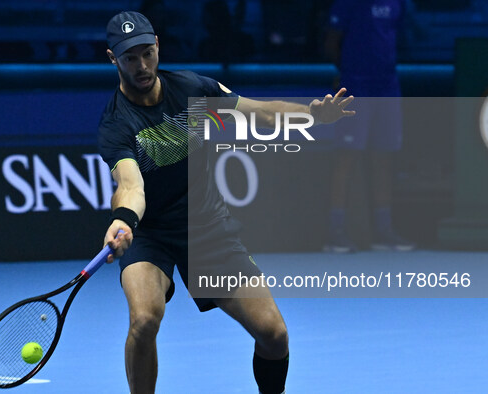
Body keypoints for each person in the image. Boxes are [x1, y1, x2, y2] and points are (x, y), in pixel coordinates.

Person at [98, 11, 354, 394]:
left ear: (156, 47)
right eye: (129, 57)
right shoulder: (116, 124)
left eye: (145, 52)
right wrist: (123, 221)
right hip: (150, 235)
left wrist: (312, 116)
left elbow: (261, 112)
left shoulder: (191, 89)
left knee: (274, 335)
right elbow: (131, 185)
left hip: (207, 229)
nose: (141, 64)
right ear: (112, 59)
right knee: (144, 319)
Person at [323, 0, 415, 252]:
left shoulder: (398, 3)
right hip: (356, 86)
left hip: (387, 85)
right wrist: (348, 72)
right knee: (346, 157)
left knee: (384, 157)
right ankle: (335, 232)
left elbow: (397, 37)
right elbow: (332, 42)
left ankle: (383, 232)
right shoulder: (348, 3)